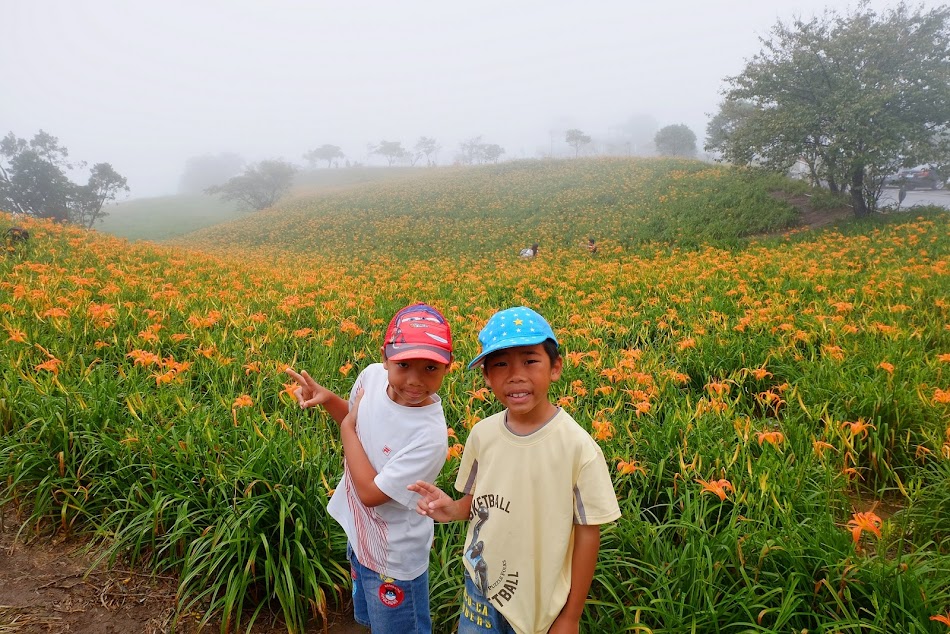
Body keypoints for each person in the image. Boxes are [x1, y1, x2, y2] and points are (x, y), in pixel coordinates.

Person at [408, 307, 621, 634]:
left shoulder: (578, 447)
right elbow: (479, 503)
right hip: (480, 585)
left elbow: (589, 534)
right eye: (501, 364)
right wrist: (451, 509)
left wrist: (571, 616)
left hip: (542, 599)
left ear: (555, 368)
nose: (515, 375)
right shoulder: (482, 434)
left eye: (530, 360)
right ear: (487, 376)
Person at [285, 302, 454, 634]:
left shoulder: (430, 436)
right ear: (385, 356)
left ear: (448, 368)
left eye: (431, 369)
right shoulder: (372, 377)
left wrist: (346, 427)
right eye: (404, 364)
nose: (415, 381)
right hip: (360, 536)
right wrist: (329, 398)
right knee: (371, 619)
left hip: (394, 560)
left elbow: (370, 493)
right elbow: (358, 420)